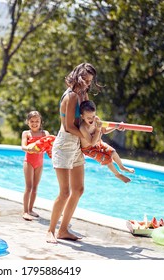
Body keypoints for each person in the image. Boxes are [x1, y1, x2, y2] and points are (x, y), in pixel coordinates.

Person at [46, 62, 102, 243]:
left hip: (77, 144)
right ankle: (50, 231)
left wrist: (97, 127)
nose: (87, 84)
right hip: (64, 144)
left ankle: (63, 230)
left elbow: (84, 120)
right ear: (77, 76)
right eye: (85, 80)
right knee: (64, 192)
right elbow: (69, 126)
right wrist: (87, 139)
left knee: (78, 189)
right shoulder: (70, 97)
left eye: (89, 81)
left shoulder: (83, 94)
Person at [79, 100, 134, 183]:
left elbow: (104, 130)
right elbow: (92, 142)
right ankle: (117, 174)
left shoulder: (96, 120)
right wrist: (98, 130)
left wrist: (116, 126)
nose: (91, 120)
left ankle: (122, 167)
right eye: (88, 118)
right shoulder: (83, 128)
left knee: (112, 151)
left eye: (93, 116)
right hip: (89, 149)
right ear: (82, 116)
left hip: (98, 143)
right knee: (107, 158)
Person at [21, 111, 50, 221]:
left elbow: (49, 142)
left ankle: (31, 209)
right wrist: (30, 148)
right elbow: (23, 146)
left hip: (39, 163)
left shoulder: (44, 133)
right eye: (32, 121)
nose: (34, 123)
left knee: (35, 188)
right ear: (28, 122)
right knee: (28, 187)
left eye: (37, 121)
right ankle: (25, 211)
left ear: (41, 122)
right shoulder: (26, 133)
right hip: (29, 162)